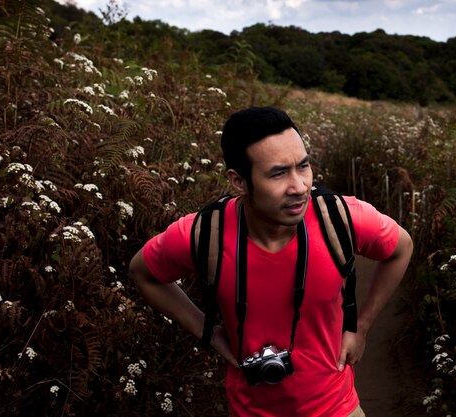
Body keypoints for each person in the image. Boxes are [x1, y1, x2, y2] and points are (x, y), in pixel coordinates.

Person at [129, 106, 413, 417]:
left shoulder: (339, 218)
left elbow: (401, 248)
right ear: (239, 182)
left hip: (337, 407)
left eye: (303, 167)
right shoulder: (206, 234)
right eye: (278, 173)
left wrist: (362, 326)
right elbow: (142, 272)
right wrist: (207, 332)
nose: (299, 187)